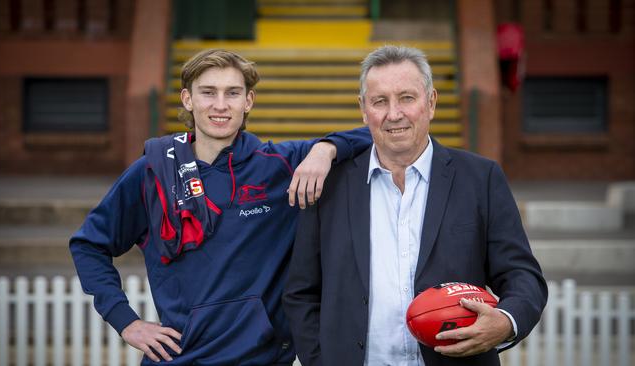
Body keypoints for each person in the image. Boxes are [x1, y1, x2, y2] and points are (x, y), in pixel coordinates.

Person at [70, 49, 370, 365]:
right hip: (179, 358)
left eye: (233, 93)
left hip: (261, 359)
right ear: (188, 99)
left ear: (248, 101)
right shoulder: (153, 172)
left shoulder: (280, 165)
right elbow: (88, 245)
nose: (221, 105)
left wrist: (327, 148)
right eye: (208, 92)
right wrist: (126, 321)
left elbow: (379, 134)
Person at [283, 45, 547, 366]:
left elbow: (522, 275)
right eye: (380, 101)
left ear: (431, 102)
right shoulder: (329, 185)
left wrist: (506, 321)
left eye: (407, 98)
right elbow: (301, 292)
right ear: (364, 110)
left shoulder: (480, 178)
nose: (394, 114)